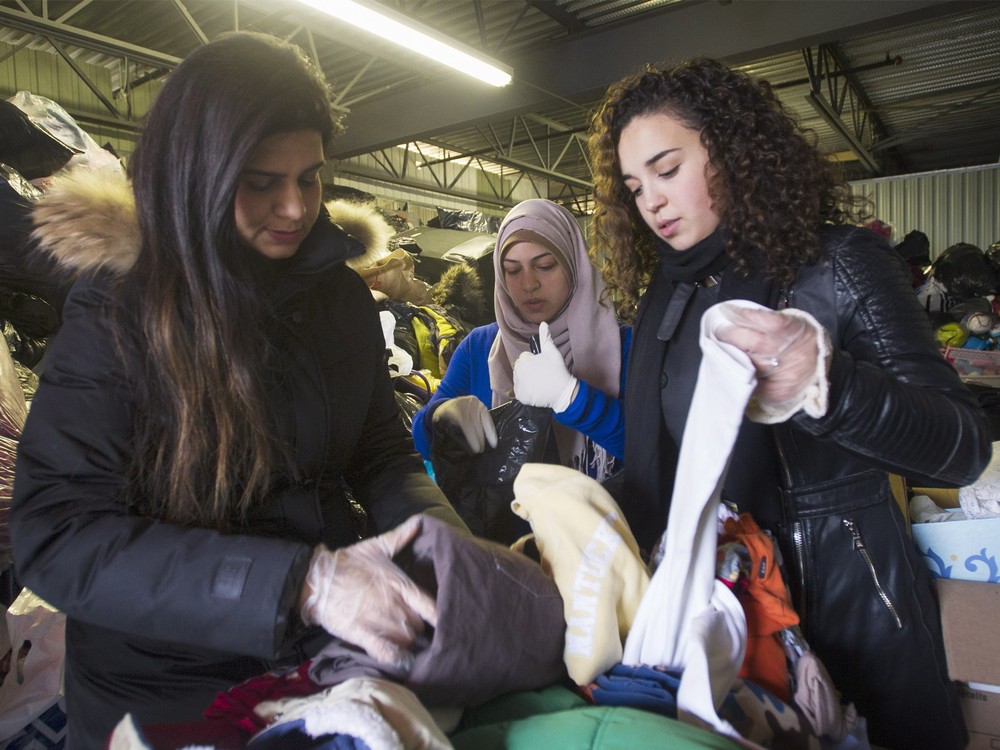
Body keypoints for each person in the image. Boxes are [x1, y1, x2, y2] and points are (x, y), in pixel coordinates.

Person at [11, 32, 468, 748]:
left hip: (317, 663)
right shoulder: (120, 311)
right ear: (195, 175)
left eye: (310, 178)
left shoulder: (339, 301)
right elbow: (60, 536)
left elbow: (380, 452)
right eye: (260, 182)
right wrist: (303, 583)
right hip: (161, 691)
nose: (293, 208)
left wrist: (446, 546)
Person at [587, 58, 990, 750]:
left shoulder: (836, 265)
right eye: (634, 185)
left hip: (850, 616)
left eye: (667, 168)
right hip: (724, 617)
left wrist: (824, 387)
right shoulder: (666, 300)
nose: (650, 200)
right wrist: (589, 518)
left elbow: (961, 446)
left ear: (733, 149)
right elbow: (675, 463)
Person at [411, 198, 631, 483]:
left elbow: (651, 449)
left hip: (598, 522)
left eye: (545, 266)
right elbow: (420, 443)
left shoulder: (623, 346)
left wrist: (572, 398)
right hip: (502, 526)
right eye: (512, 270)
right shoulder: (480, 347)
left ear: (574, 266)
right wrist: (438, 418)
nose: (528, 284)